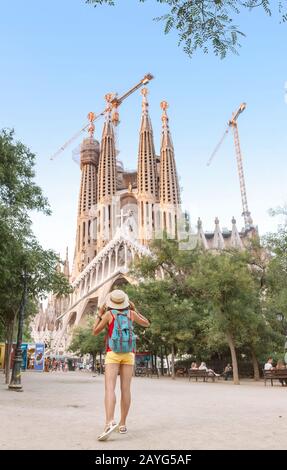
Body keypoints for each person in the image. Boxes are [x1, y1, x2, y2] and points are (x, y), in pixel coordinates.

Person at [93, 289, 150, 441]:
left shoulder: (108, 315)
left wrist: (99, 313)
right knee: (126, 389)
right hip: (129, 353)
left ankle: (109, 421)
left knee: (110, 388)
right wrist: (134, 309)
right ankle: (122, 424)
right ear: (125, 302)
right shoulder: (131, 314)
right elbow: (147, 323)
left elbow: (95, 331)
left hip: (113, 353)